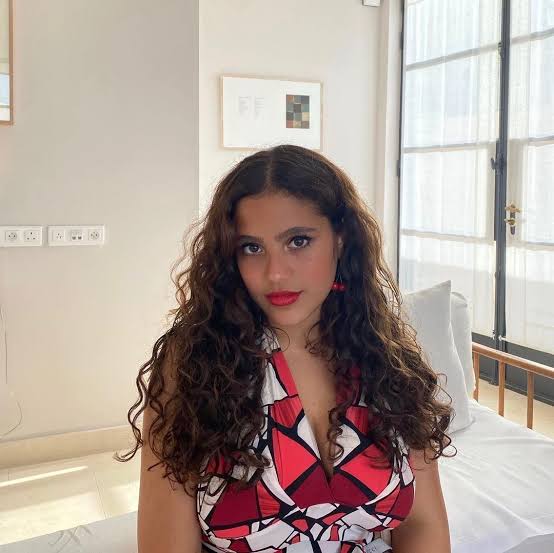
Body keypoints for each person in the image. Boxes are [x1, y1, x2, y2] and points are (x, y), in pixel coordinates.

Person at [116, 144, 455, 553]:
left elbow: (422, 523)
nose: (275, 273)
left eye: (298, 241)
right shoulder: (191, 364)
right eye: (252, 248)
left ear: (341, 240)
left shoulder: (385, 356)